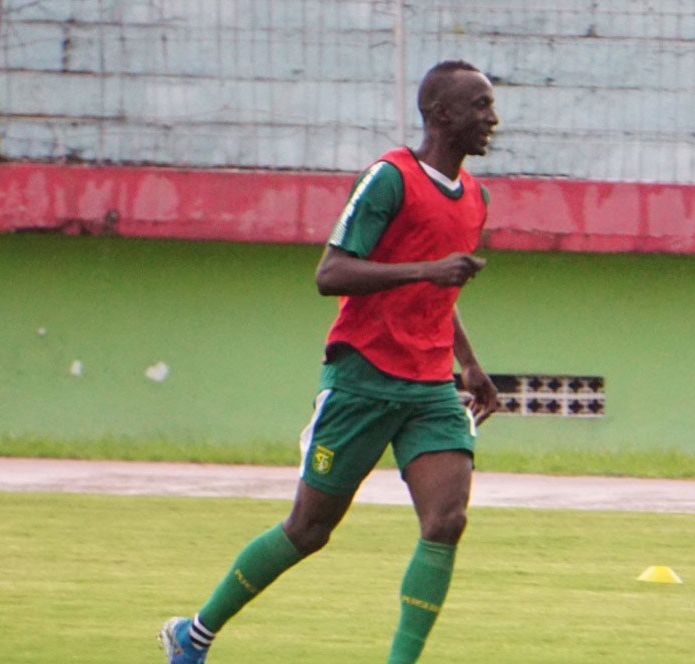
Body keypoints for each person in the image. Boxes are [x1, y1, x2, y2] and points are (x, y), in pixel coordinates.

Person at [159, 59, 501, 664]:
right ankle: (195, 634)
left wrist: (469, 365)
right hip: (361, 379)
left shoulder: (476, 196)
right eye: (479, 105)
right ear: (441, 114)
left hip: (427, 387)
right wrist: (426, 269)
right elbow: (331, 273)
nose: (492, 117)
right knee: (308, 531)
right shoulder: (388, 179)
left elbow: (440, 294)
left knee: (446, 521)